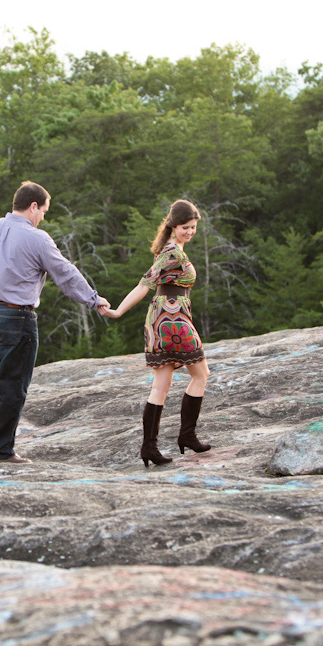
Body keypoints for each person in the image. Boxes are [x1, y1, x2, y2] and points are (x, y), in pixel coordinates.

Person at [0, 181, 110, 464]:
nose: (42, 218)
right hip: (16, 318)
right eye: (44, 212)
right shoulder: (37, 238)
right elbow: (65, 273)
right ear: (34, 205)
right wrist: (93, 299)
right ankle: (0, 450)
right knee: (11, 385)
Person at [100, 200, 212, 467]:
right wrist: (118, 311)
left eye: (194, 227)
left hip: (161, 318)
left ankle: (149, 447)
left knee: (161, 386)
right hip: (173, 319)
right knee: (201, 374)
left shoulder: (168, 249)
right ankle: (187, 435)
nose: (190, 231)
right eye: (186, 227)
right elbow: (144, 284)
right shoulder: (172, 252)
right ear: (173, 225)